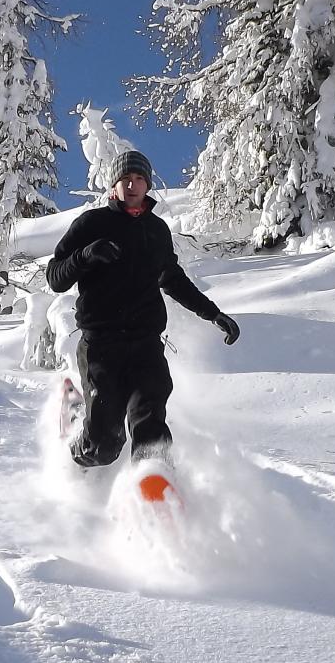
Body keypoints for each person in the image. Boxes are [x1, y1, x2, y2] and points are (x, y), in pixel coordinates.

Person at [46, 150, 240, 468]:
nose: (132, 185)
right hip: (101, 344)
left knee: (150, 417)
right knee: (105, 445)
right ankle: (76, 427)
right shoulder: (92, 223)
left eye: (138, 179)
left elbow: (172, 279)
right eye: (125, 179)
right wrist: (85, 256)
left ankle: (153, 477)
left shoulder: (157, 231)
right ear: (114, 187)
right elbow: (55, 277)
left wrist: (213, 313)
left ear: (147, 185)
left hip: (145, 344)